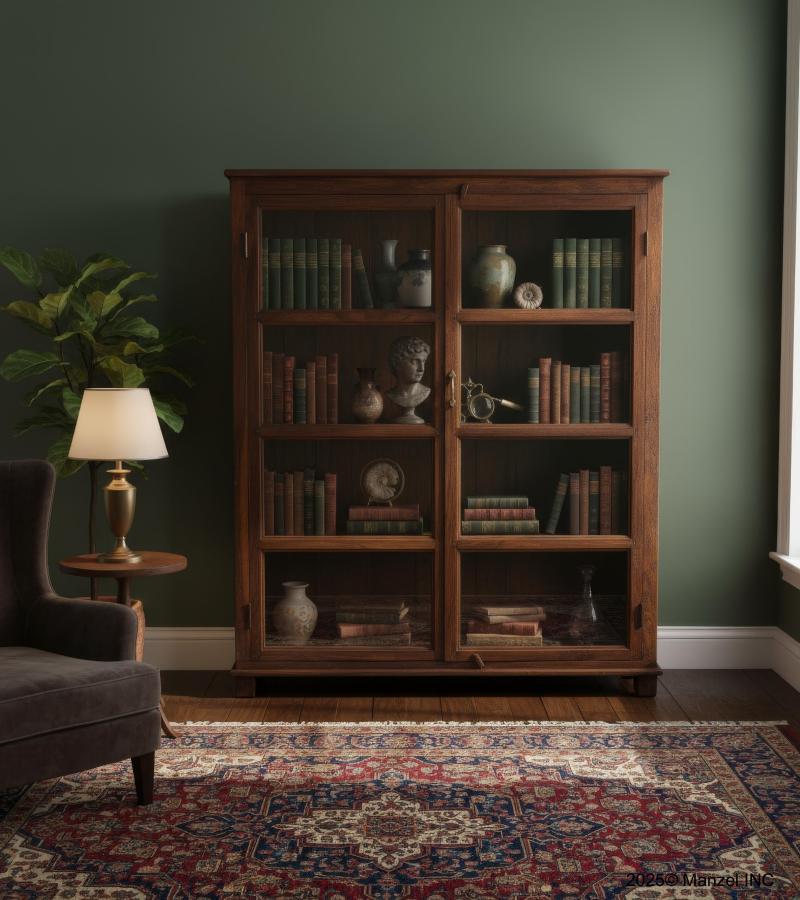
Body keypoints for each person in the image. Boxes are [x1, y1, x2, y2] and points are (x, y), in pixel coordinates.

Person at [385, 336, 431, 424]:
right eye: (415, 361)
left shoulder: (425, 392)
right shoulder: (391, 394)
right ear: (397, 363)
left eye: (423, 361)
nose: (421, 369)